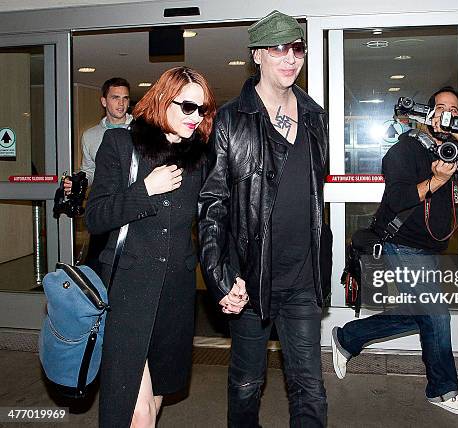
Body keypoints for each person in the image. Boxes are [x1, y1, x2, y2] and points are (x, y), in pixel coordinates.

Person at [198, 10, 329, 427]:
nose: (290, 58)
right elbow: (212, 208)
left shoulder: (315, 116)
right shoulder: (231, 120)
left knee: (309, 385)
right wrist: (220, 277)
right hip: (249, 280)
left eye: (296, 48)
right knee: (246, 383)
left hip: (303, 280)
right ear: (257, 55)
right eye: (278, 49)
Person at [331, 87, 458, 416]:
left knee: (422, 315)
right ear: (428, 113)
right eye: (441, 108)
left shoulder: (454, 150)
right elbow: (398, 200)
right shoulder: (405, 149)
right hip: (402, 241)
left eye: (454, 110)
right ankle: (443, 390)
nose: (447, 114)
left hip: (428, 246)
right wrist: (435, 180)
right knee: (436, 313)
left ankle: (348, 338)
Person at [85, 66, 215, 428]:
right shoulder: (121, 145)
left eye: (202, 109)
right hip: (127, 292)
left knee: (153, 402)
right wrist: (144, 190)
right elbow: (95, 217)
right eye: (187, 107)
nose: (196, 117)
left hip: (175, 293)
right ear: (161, 99)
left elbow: (210, 225)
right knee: (136, 411)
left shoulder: (200, 159)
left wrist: (227, 278)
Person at [65, 77, 132, 269]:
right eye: (115, 97)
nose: (121, 103)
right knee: (98, 266)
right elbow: (89, 171)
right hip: (105, 208)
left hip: (133, 206)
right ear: (104, 101)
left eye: (125, 98)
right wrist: (77, 183)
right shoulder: (90, 136)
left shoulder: (141, 131)